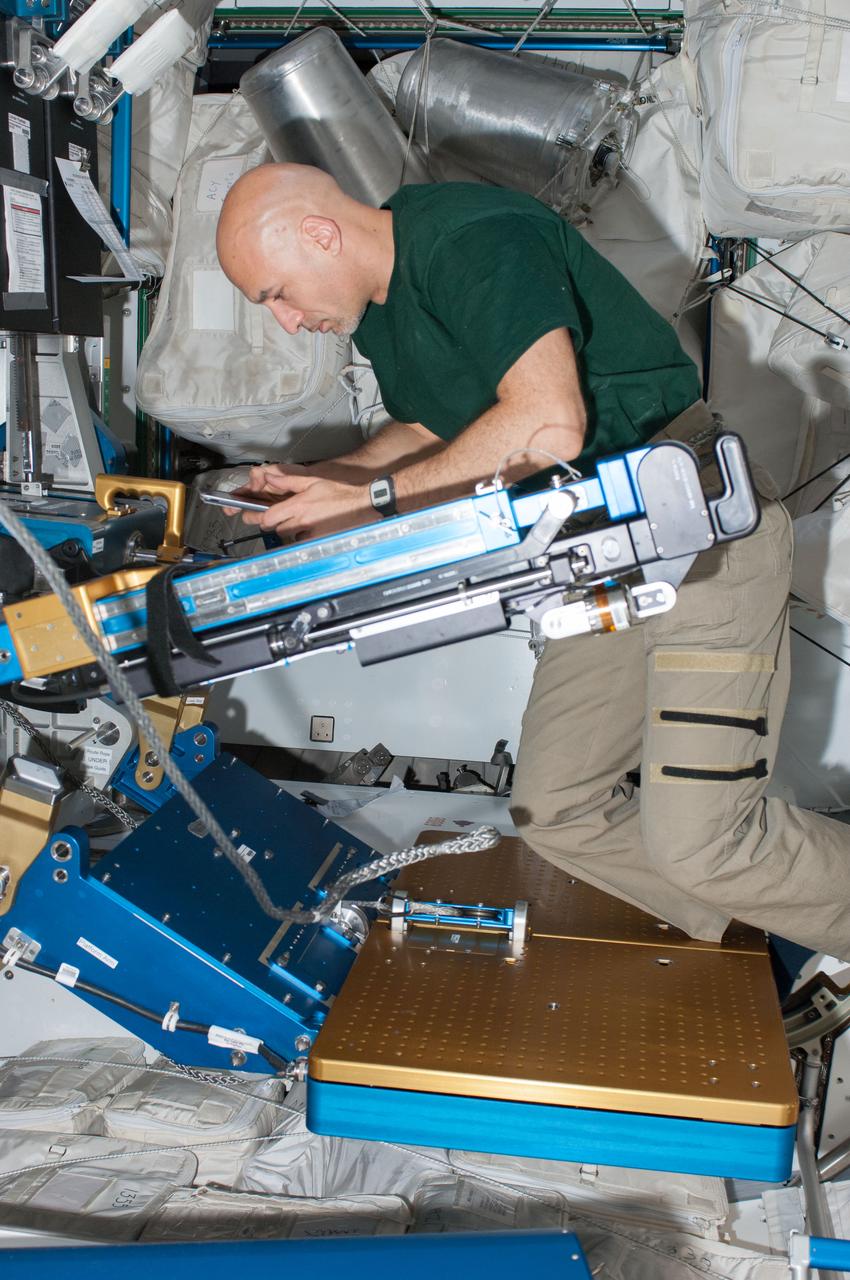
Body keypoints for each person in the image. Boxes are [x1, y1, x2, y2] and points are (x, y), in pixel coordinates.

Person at [217, 162, 850, 959]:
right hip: (604, 558)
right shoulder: (383, 309)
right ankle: (752, 944)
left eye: (275, 293)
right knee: (557, 808)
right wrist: (341, 481)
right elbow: (427, 430)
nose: (285, 320)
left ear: (320, 233)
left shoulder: (470, 239)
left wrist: (375, 505)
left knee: (704, 840)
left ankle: (782, 895)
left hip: (699, 543)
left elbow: (549, 427)